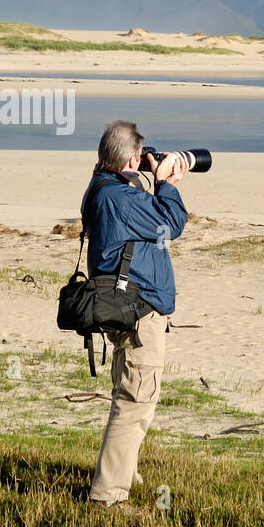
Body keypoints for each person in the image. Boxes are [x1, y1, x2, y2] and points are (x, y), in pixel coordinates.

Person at [82, 120, 190, 506]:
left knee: (131, 392)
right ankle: (107, 494)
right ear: (131, 159)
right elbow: (171, 223)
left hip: (127, 305)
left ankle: (123, 471)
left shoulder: (103, 187)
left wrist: (146, 175)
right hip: (139, 310)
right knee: (134, 401)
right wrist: (168, 184)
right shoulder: (120, 199)